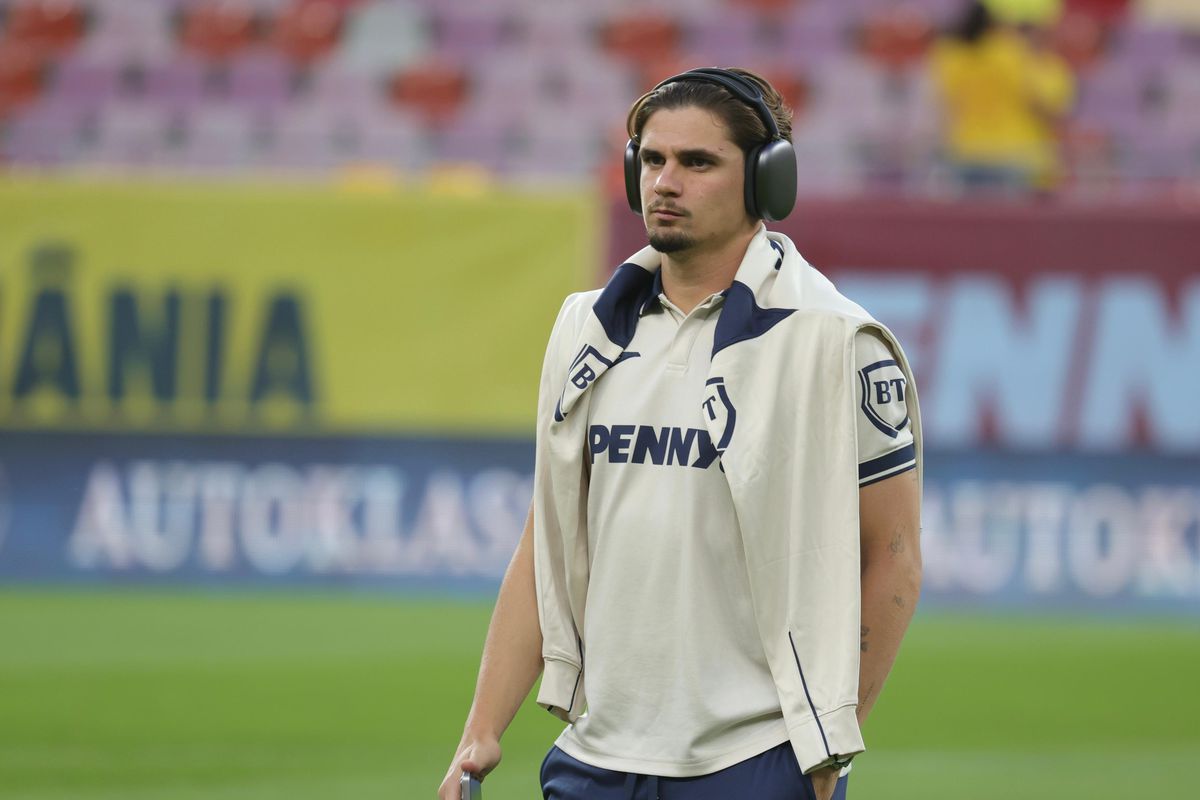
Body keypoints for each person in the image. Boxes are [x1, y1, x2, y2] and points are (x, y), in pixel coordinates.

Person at [438, 67, 922, 800]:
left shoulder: (836, 340)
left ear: (766, 181)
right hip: (596, 758)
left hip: (757, 761)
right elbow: (547, 544)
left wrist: (828, 746)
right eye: (653, 159)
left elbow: (894, 554)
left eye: (698, 162)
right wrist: (480, 730)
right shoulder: (584, 329)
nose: (665, 183)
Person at [930, 0, 1076, 194]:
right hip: (1015, 152)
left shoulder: (950, 54)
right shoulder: (1008, 52)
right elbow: (1034, 100)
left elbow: (945, 101)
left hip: (965, 149)